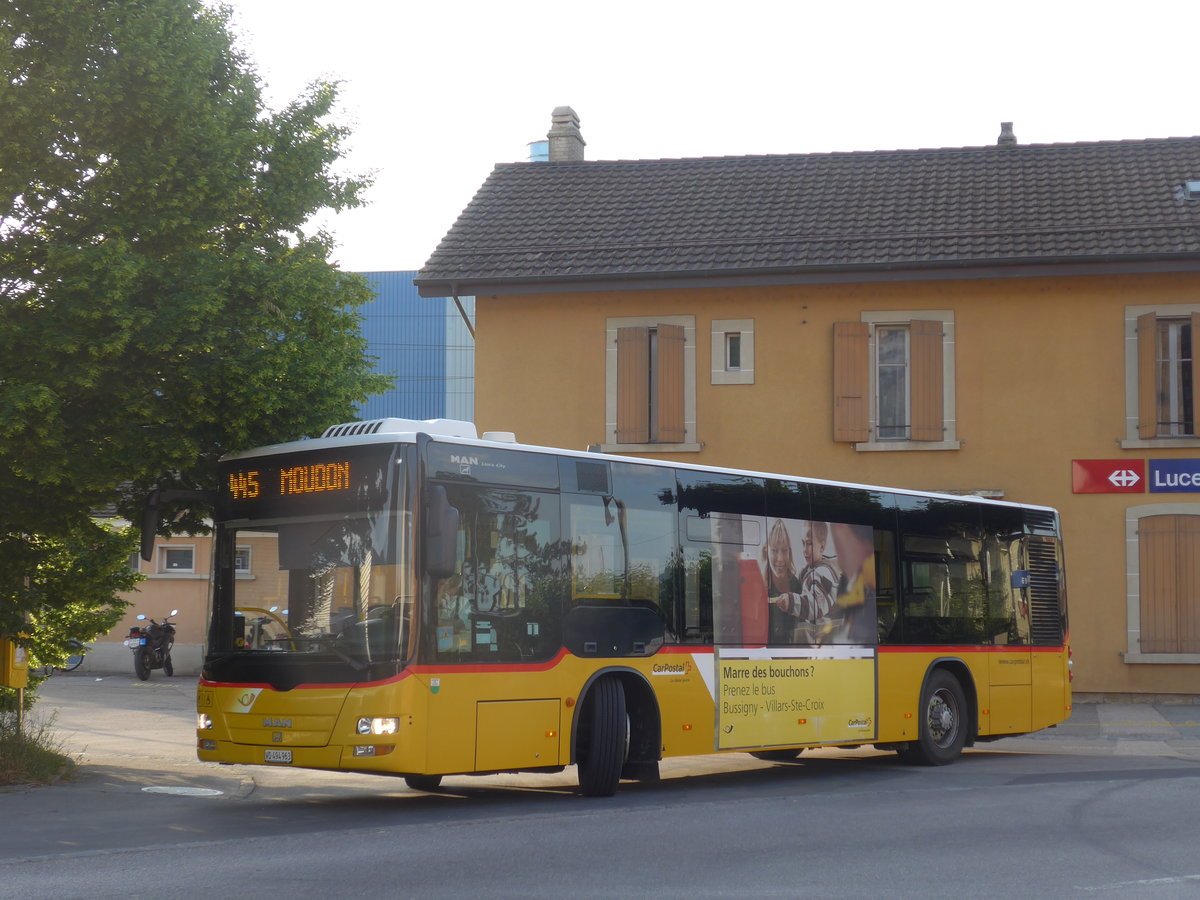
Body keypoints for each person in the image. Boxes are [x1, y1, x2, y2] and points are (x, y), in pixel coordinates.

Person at [763, 518, 803, 643]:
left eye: (784, 550)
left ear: (790, 552)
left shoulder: (798, 586)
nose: (779, 559)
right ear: (767, 552)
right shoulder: (759, 586)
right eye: (774, 551)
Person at [795, 521, 839, 622]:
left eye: (809, 544)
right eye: (803, 543)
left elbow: (815, 608)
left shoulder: (823, 573)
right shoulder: (806, 571)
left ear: (822, 547)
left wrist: (791, 602)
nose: (804, 550)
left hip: (823, 635)